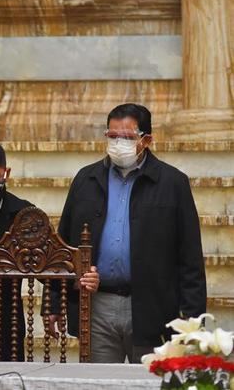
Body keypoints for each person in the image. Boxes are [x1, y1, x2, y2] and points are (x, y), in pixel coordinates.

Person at [48, 103, 207, 363]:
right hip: (98, 305)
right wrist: (54, 302)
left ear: (147, 140)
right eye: (112, 136)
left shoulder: (172, 183)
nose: (118, 143)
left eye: (128, 137)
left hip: (152, 307)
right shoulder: (85, 180)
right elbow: (63, 247)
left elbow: (190, 257)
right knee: (99, 382)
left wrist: (193, 320)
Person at [0, 140, 99, 361]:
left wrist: (78, 279)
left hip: (5, 320)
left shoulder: (25, 214)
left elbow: (52, 265)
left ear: (7, 173)